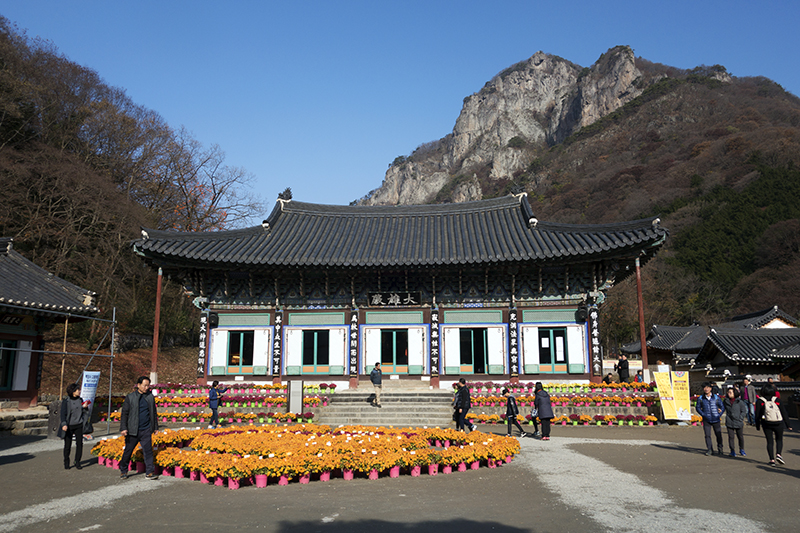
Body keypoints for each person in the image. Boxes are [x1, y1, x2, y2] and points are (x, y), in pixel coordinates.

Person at [119, 376, 159, 480]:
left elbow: (153, 413)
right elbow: (124, 414)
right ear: (138, 385)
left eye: (148, 385)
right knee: (128, 451)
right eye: (145, 385)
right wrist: (123, 428)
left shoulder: (150, 397)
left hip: (146, 429)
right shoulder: (130, 397)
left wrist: (155, 427)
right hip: (133, 430)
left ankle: (149, 472)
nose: (146, 388)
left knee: (148, 451)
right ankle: (123, 470)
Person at [755, 384, 791, 467]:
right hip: (778, 423)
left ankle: (772, 460)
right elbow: (784, 412)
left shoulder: (760, 401)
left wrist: (757, 425)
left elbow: (757, 415)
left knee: (769, 441)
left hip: (766, 423)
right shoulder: (777, 400)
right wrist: (788, 424)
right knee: (779, 439)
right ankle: (778, 454)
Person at [59, 382, 87, 470]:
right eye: (78, 390)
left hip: (79, 425)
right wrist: (64, 424)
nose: (79, 391)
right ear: (73, 391)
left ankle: (77, 461)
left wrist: (85, 407)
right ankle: (66, 461)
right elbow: (63, 414)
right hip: (69, 426)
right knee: (67, 445)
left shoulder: (80, 400)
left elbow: (84, 412)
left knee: (80, 444)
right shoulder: (66, 401)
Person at [696, 381, 724, 456]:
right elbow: (698, 408)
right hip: (706, 420)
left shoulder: (716, 397)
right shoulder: (701, 398)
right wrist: (703, 414)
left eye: (708, 387)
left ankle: (720, 449)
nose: (706, 389)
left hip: (716, 419)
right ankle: (709, 449)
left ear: (711, 388)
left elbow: (722, 407)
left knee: (718, 435)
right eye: (705, 387)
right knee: (707, 435)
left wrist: (719, 415)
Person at [723, 387, 747, 457]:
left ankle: (742, 449)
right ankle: (732, 450)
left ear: (734, 393)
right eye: (728, 392)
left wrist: (740, 418)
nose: (729, 394)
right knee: (731, 437)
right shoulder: (726, 401)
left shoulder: (739, 402)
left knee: (740, 437)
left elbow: (743, 411)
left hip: (738, 421)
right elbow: (722, 408)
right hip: (729, 421)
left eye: (730, 392)